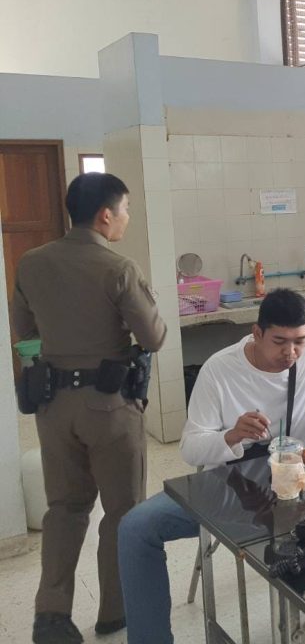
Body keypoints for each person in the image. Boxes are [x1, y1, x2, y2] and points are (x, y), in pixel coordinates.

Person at [117, 289, 305, 644]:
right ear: (256, 333)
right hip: (227, 491)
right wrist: (231, 436)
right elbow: (191, 448)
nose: (291, 353)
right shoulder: (220, 369)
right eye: (280, 342)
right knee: (135, 527)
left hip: (296, 491)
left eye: (300, 341)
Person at [12, 172, 167, 644]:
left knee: (64, 508)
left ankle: (51, 615)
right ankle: (114, 611)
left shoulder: (31, 262)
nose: (126, 218)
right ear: (105, 214)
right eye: (125, 210)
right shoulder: (117, 268)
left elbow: (24, 331)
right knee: (123, 510)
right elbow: (153, 337)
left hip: (53, 406)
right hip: (109, 406)